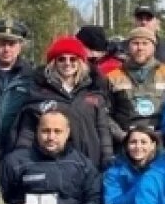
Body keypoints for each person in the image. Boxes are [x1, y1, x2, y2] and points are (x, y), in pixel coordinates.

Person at [12, 35, 114, 170]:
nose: (67, 63)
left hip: (90, 162)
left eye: (73, 59)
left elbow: (103, 130)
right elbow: (28, 131)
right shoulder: (40, 93)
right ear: (53, 63)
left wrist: (107, 157)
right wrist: (21, 157)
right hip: (52, 165)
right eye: (61, 59)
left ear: (80, 63)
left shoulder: (93, 92)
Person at [102, 27, 165, 138]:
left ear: (154, 47)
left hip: (162, 141)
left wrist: (164, 134)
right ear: (128, 47)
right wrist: (121, 136)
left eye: (145, 43)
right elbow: (104, 114)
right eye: (135, 43)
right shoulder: (112, 77)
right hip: (126, 142)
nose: (140, 48)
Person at [0, 18, 34, 150]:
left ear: (20, 47)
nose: (6, 49)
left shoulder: (31, 77)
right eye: (1, 44)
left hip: (17, 148)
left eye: (11, 44)